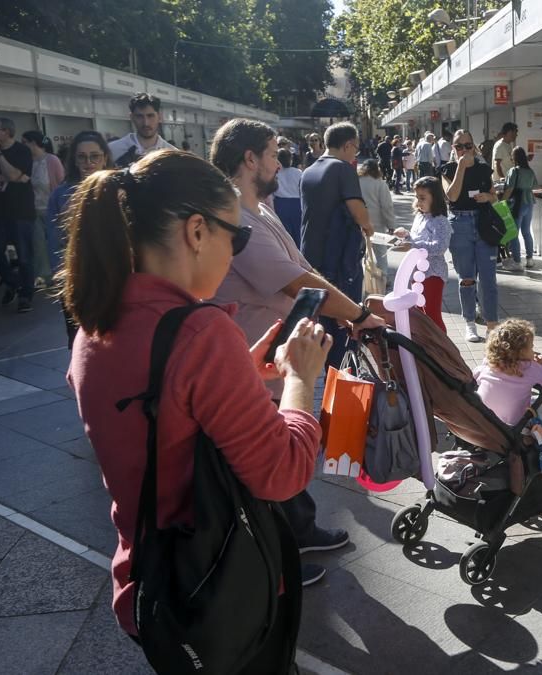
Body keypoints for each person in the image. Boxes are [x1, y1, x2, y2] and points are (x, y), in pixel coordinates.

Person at [62, 150, 328, 666]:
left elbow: (157, 412)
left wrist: (241, 374)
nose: (235, 253)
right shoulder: (200, 332)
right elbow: (283, 473)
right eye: (238, 235)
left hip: (147, 580)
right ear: (197, 232)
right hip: (218, 582)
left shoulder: (96, 322)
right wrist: (301, 380)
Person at [208, 118, 385, 586]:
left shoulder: (259, 211)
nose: (279, 162)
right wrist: (358, 316)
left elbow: (302, 267)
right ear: (249, 159)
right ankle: (278, 557)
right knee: (268, 461)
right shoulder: (236, 217)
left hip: (273, 360)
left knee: (283, 449)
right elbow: (297, 280)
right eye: (271, 153)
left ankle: (299, 530)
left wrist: (349, 310)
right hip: (254, 365)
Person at [300, 121, 373, 369]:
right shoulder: (343, 169)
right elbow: (357, 210)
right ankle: (345, 377)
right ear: (348, 144)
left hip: (311, 259)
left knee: (323, 323)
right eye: (356, 147)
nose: (356, 153)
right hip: (339, 260)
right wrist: (369, 226)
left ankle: (326, 372)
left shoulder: (309, 171)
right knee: (346, 324)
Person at [47, 130, 112, 346]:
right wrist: (63, 280)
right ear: (74, 160)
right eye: (82, 157)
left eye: (94, 156)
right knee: (78, 339)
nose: (88, 162)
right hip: (77, 278)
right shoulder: (61, 195)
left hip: (113, 277)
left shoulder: (118, 189)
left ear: (104, 157)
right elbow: (54, 239)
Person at [440, 129, 498, 344]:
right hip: (460, 223)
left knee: (489, 280)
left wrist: (488, 197)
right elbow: (452, 195)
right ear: (453, 149)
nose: (464, 150)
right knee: (466, 278)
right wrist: (461, 168)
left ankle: (492, 325)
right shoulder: (447, 170)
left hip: (483, 224)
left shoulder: (484, 169)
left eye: (468, 145)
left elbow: (495, 196)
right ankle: (470, 323)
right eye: (459, 146)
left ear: (474, 147)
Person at [0, 117, 37, 312]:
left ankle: (26, 295)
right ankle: (13, 282)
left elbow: (15, 175)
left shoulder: (21, 151)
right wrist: (6, 176)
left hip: (20, 212)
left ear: (7, 131)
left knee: (24, 256)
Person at [473, 319, 542, 426]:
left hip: (484, 421)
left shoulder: (488, 364)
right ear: (522, 352)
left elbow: (473, 378)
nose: (533, 351)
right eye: (531, 347)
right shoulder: (530, 368)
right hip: (515, 426)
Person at [393, 176, 452, 333]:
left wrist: (413, 244)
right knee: (420, 314)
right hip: (417, 273)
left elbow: (440, 247)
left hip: (433, 274)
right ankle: (427, 348)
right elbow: (416, 239)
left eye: (423, 198)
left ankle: (443, 351)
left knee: (432, 315)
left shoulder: (440, 221)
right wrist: (406, 236)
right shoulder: (419, 216)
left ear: (435, 198)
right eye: (417, 197)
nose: (418, 201)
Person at [23, 131, 64, 286]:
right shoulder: (27, 161)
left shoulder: (52, 160)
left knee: (55, 241)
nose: (23, 145)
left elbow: (60, 183)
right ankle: (45, 276)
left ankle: (59, 272)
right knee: (38, 244)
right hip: (33, 209)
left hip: (51, 208)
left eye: (25, 142)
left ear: (33, 143)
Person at [107, 93, 176, 168]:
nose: (146, 123)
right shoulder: (113, 149)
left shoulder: (173, 153)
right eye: (139, 116)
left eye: (150, 116)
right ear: (131, 117)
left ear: (159, 116)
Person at [357, 158, 395, 280]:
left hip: (358, 221)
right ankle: (383, 278)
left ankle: (363, 278)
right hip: (376, 223)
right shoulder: (380, 183)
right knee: (380, 253)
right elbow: (386, 205)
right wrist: (391, 224)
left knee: (361, 252)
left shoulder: (356, 181)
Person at [503, 146, 538, 271]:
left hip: (517, 204)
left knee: (513, 233)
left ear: (514, 158)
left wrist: (502, 201)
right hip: (529, 202)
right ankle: (529, 259)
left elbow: (509, 189)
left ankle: (517, 261)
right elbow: (534, 185)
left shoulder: (514, 171)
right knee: (526, 232)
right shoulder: (530, 171)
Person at [274, 148, 303, 246]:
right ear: (290, 159)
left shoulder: (276, 173)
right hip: (297, 204)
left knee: (286, 235)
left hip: (281, 204)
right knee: (299, 233)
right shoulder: (298, 172)